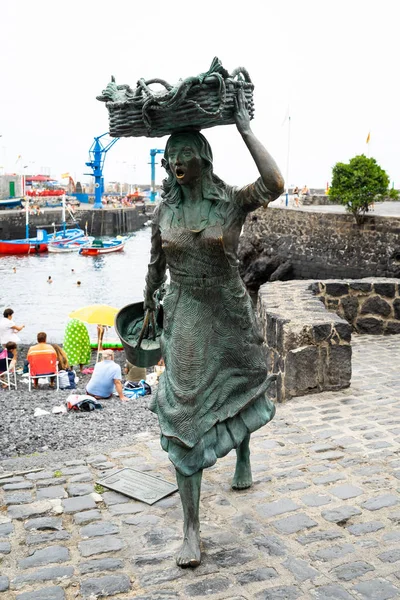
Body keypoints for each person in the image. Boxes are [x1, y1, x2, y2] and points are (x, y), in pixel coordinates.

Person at [143, 89, 284, 567]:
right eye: (171, 156)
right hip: (185, 307)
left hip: (226, 304)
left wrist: (244, 127)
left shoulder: (230, 204)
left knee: (241, 383)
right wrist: (147, 303)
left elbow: (275, 181)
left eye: (186, 154)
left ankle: (243, 454)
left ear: (203, 159)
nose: (177, 162)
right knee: (183, 412)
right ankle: (191, 528)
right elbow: (155, 263)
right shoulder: (164, 211)